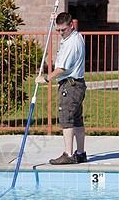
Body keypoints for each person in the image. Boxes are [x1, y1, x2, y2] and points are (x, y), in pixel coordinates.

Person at [35, 12, 87, 164]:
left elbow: (61, 69)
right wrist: (55, 18)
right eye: (58, 30)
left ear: (71, 25)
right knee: (77, 119)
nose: (60, 33)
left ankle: (69, 155)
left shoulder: (71, 44)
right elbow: (63, 21)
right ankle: (80, 153)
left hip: (70, 86)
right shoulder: (76, 35)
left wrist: (45, 78)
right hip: (77, 85)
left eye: (63, 30)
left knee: (67, 120)